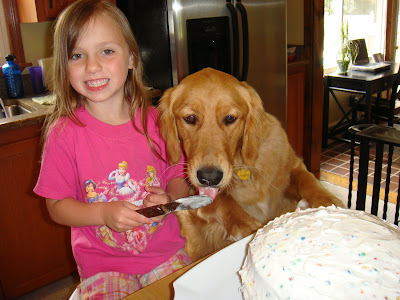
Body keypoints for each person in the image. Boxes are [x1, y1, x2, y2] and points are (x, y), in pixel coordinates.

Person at [33, 0, 192, 298]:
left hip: (166, 253)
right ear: (63, 66)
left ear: (131, 58)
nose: (92, 66)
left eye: (107, 51)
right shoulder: (63, 134)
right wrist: (103, 213)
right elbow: (56, 207)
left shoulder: (158, 122)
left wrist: (169, 198)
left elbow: (178, 173)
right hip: (103, 267)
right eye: (77, 55)